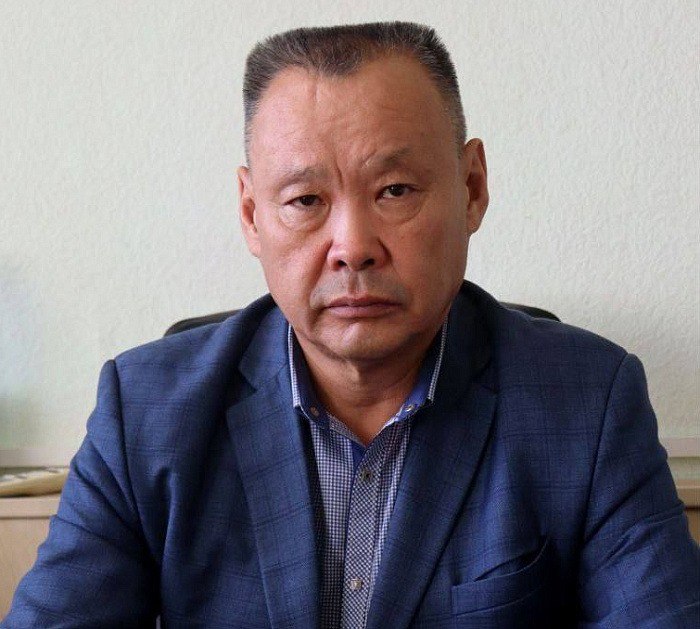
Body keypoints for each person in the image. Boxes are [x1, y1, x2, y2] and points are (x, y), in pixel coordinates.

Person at [3, 21, 698, 629]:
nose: (353, 245)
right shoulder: (145, 413)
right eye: (305, 199)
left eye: (394, 190)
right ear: (251, 214)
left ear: (472, 188)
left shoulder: (588, 404)